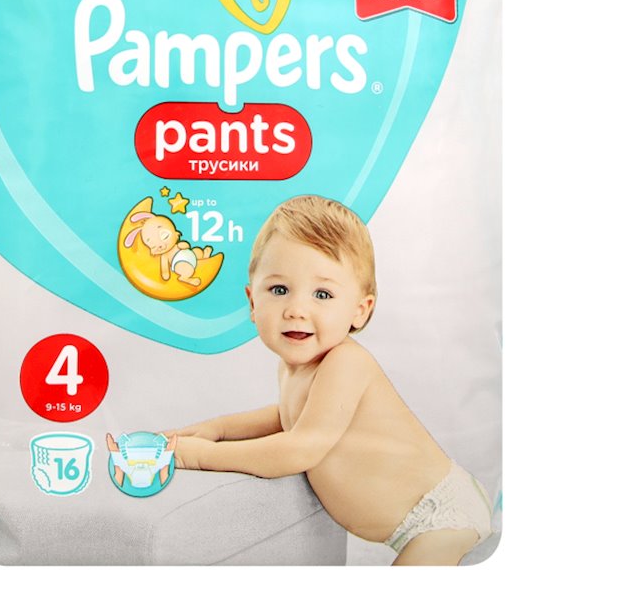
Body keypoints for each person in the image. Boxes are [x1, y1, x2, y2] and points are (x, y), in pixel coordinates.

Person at [170, 195, 491, 565]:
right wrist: (215, 429)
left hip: (440, 514)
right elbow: (286, 417)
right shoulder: (294, 368)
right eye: (279, 290)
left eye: (322, 294)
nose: (296, 309)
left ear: (359, 310)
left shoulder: (346, 362)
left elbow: (299, 448)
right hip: (413, 525)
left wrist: (202, 455)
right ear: (253, 302)